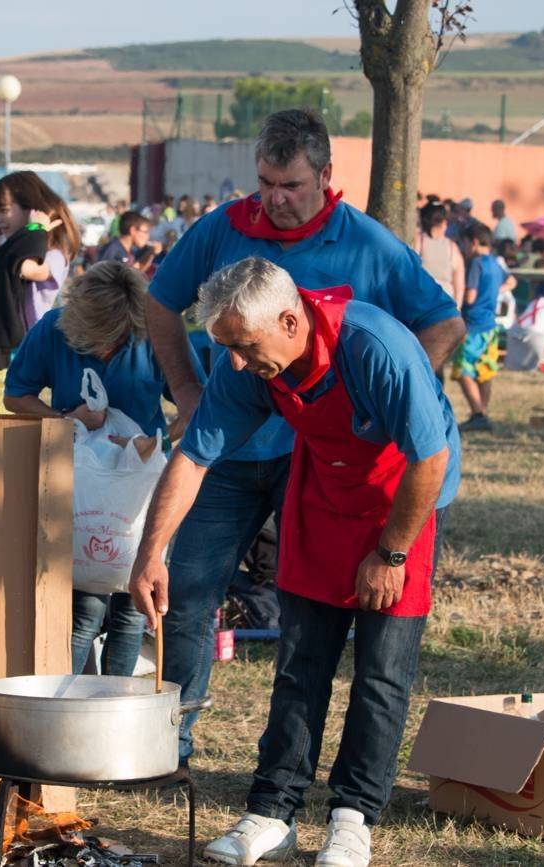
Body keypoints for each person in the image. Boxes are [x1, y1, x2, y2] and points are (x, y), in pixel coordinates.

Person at [143, 108, 463, 770]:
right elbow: (158, 304)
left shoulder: (369, 244)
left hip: (313, 462)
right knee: (190, 590)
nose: (276, 199)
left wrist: (386, 403)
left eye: (290, 184)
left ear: (324, 175)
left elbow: (443, 323)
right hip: (231, 446)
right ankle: (168, 742)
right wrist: (190, 391)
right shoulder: (220, 230)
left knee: (308, 619)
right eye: (265, 182)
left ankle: (299, 768)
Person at [130, 257, 459, 867]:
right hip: (320, 496)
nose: (233, 363)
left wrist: (390, 554)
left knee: (381, 673)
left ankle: (353, 817)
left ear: (290, 320)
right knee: (300, 664)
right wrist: (152, 554)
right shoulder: (251, 358)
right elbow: (195, 456)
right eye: (223, 347)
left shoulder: (376, 347)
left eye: (243, 346)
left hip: (401, 500)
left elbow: (429, 460)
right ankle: (272, 812)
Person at [5, 260, 203, 676]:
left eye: (118, 339)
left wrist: (161, 439)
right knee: (85, 607)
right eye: (98, 340)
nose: (105, 350)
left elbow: (195, 403)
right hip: (79, 480)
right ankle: (70, 702)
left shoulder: (154, 333)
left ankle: (117, 701)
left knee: (133, 609)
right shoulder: (54, 329)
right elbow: (16, 395)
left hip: (139, 483)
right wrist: (66, 420)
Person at [0, 170, 80, 413]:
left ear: (31, 207)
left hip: (23, 348)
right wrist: (0, 229)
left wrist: (34, 227)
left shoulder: (54, 256)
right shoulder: (7, 255)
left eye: (4, 210)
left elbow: (26, 267)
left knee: (4, 408)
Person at [453, 222, 512, 432]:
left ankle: (478, 413)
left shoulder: (476, 264)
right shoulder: (496, 263)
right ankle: (483, 413)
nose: (464, 247)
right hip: (491, 325)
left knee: (463, 370)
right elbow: (511, 281)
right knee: (484, 371)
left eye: (466, 243)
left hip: (473, 324)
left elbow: (470, 296)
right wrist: (494, 291)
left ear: (474, 243)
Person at [416, 202, 465, 308]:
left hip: (421, 301)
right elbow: (459, 285)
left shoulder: (418, 241)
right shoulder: (452, 248)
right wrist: (457, 309)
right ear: (443, 223)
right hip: (444, 304)